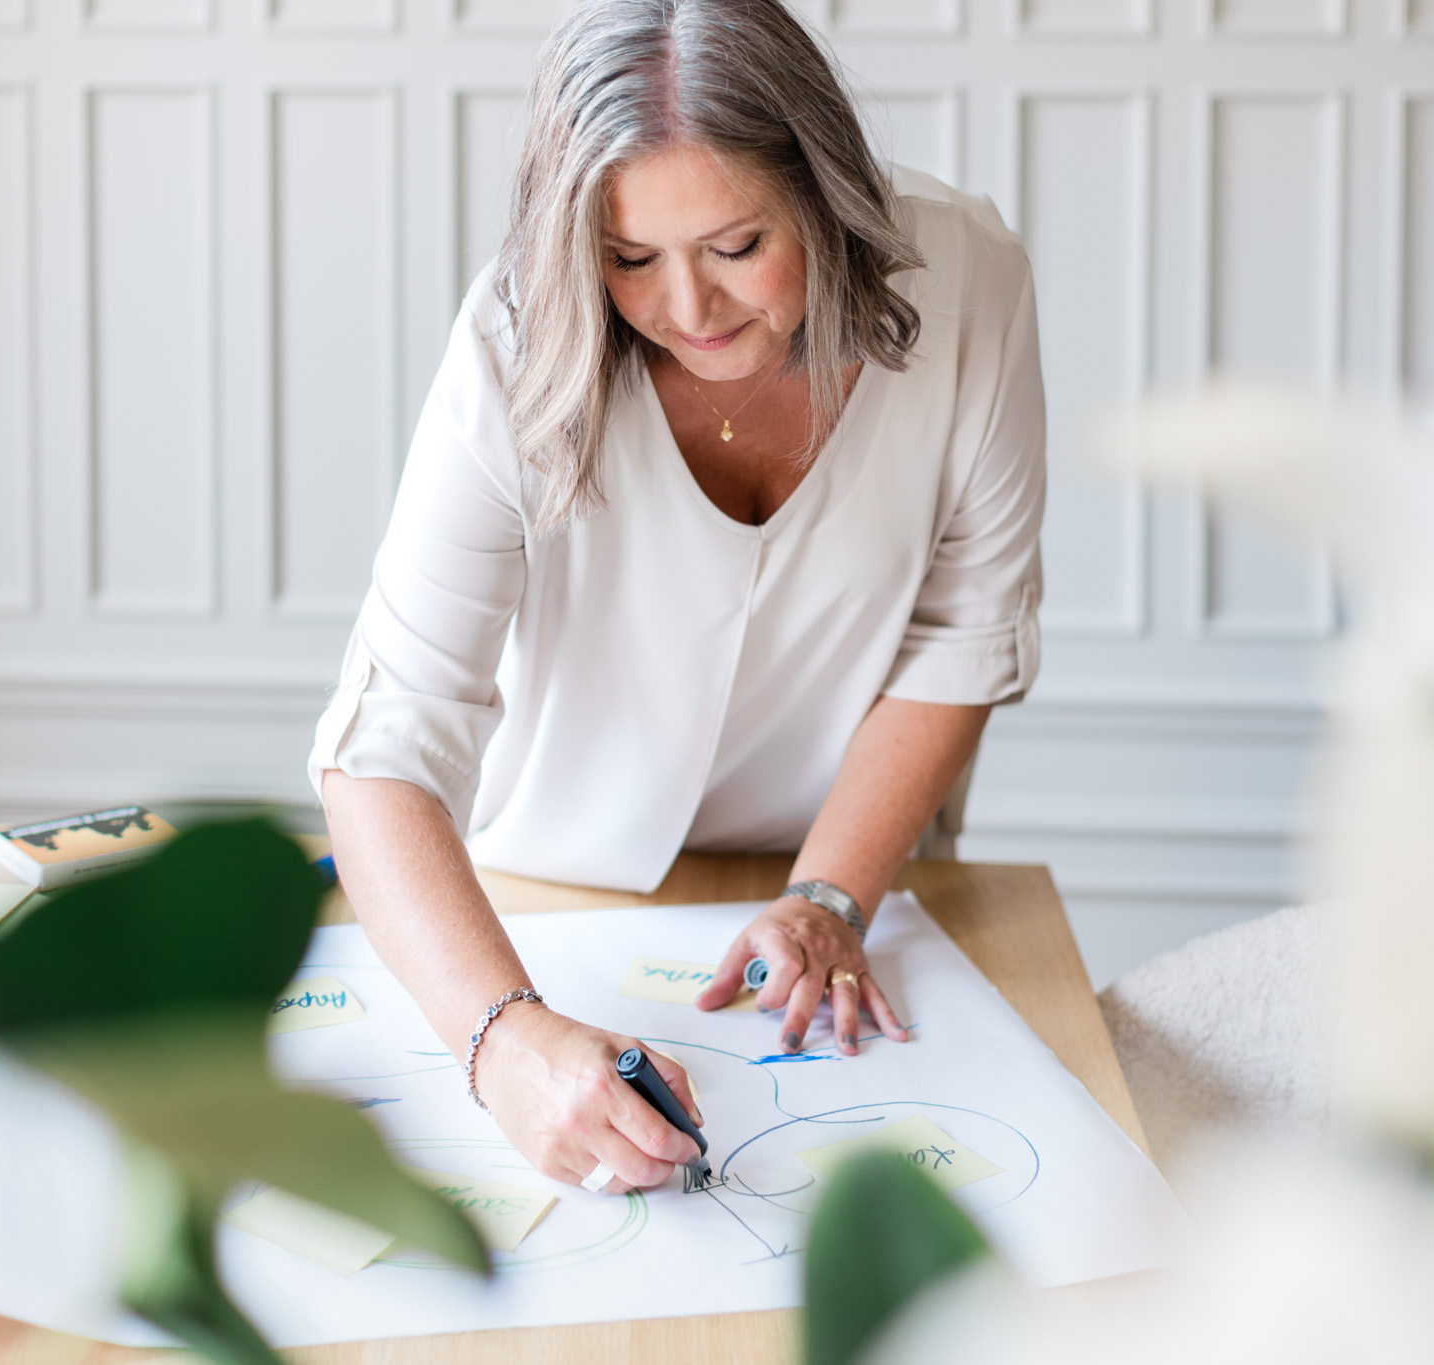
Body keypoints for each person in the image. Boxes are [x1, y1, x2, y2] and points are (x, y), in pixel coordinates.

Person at [313, 0, 1045, 1198]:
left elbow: (963, 630)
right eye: (631, 259)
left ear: (822, 190)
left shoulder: (971, 278)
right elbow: (383, 737)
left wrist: (824, 898)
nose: (690, 311)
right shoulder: (513, 334)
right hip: (543, 891)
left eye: (737, 245)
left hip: (846, 881)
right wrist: (502, 1041)